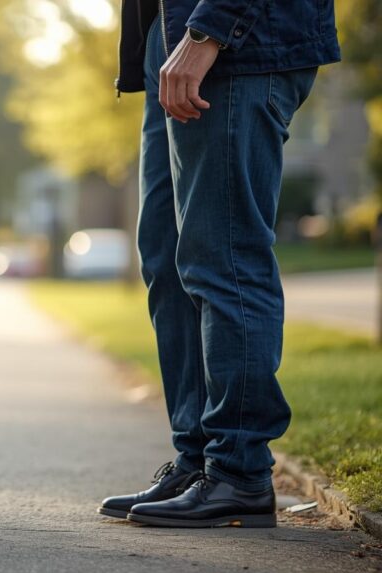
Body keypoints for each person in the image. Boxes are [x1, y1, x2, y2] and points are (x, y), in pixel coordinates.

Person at [100, 1, 340, 527]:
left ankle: (239, 470)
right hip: (170, 39)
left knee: (224, 255)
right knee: (167, 263)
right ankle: (198, 460)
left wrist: (210, 31)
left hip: (236, 42)